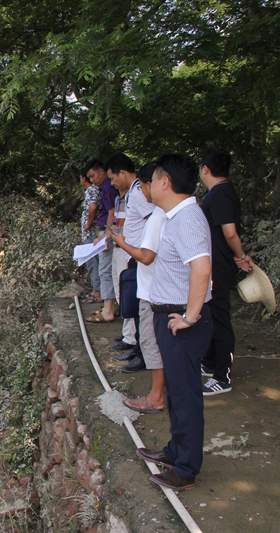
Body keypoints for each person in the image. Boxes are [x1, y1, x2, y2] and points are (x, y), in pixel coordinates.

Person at [136, 153, 213, 491]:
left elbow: (202, 268)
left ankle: (186, 469)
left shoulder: (188, 219)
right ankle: (175, 451)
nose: (149, 187)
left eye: (152, 180)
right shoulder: (174, 216)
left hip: (181, 320)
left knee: (185, 395)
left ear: (165, 183)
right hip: (168, 315)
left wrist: (190, 317)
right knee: (175, 391)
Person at [110, 162, 167, 411]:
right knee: (147, 331)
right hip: (153, 283)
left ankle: (156, 396)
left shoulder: (159, 214)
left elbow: (147, 256)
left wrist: (122, 243)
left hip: (153, 286)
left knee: (152, 337)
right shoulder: (179, 213)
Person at [198, 147, 251, 396]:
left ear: (205, 169)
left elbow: (229, 231)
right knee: (209, 313)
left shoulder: (220, 194)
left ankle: (223, 376)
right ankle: (209, 362)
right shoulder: (219, 192)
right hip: (212, 265)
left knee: (219, 318)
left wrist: (240, 256)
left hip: (219, 266)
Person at [105, 153, 149, 365]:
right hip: (133, 253)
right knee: (135, 303)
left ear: (123, 173)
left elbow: (151, 220)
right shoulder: (132, 193)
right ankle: (137, 348)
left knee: (140, 305)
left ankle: (141, 352)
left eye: (113, 178)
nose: (112, 183)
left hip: (139, 254)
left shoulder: (139, 193)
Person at [84, 159, 119, 324]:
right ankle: (107, 306)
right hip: (107, 231)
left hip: (108, 232)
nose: (92, 180)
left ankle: (108, 309)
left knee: (105, 270)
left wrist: (106, 235)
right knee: (105, 269)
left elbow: (112, 212)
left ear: (101, 172)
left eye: (92, 176)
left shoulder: (108, 188)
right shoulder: (103, 188)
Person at [79, 172, 101, 303]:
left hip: (91, 234)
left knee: (93, 261)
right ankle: (96, 289)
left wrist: (88, 224)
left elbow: (93, 206)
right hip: (90, 233)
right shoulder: (93, 190)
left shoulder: (91, 190)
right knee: (93, 261)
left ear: (83, 178)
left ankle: (97, 291)